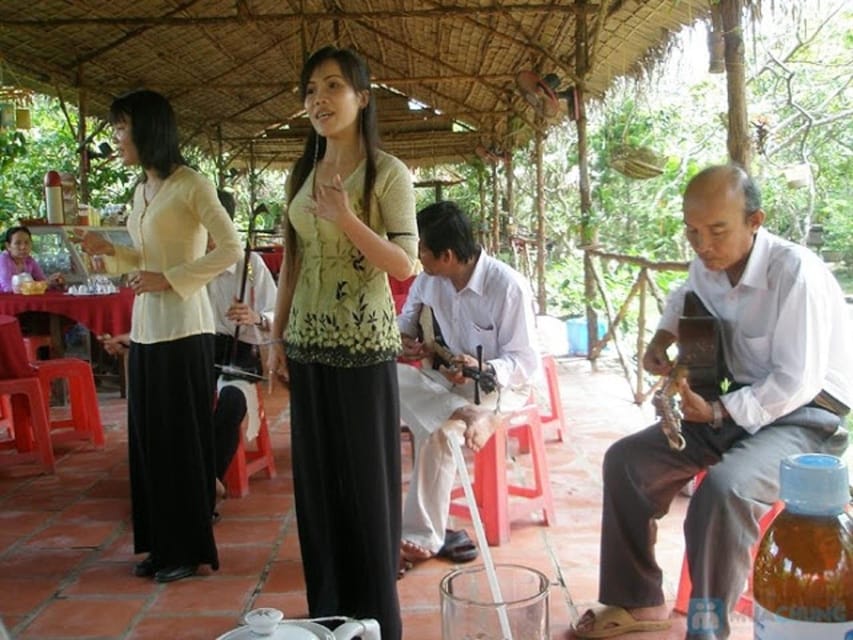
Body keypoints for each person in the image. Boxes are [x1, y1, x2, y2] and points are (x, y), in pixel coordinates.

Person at [572, 165, 852, 640]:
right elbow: (686, 294)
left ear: (755, 220)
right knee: (627, 462)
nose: (703, 245)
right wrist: (662, 339)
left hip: (808, 415)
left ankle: (707, 629)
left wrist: (720, 412)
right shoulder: (708, 264)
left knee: (724, 491)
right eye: (693, 232)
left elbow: (796, 381)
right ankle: (636, 601)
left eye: (717, 230)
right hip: (736, 403)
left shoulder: (794, 272)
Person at [266, 46, 417, 640]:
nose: (318, 100)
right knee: (319, 493)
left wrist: (348, 217)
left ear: (363, 97)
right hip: (307, 347)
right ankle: (329, 615)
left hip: (364, 350)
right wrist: (276, 338)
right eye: (309, 90)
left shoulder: (387, 173)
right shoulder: (300, 174)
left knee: (368, 490)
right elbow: (294, 261)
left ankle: (378, 619)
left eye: (333, 86)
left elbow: (404, 265)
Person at [74, 89, 241, 584]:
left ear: (149, 129)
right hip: (146, 330)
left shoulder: (192, 184)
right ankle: (160, 544)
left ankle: (187, 549)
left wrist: (170, 278)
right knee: (149, 443)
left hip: (184, 330)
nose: (116, 138)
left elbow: (230, 248)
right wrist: (111, 250)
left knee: (180, 443)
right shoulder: (142, 191)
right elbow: (144, 262)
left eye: (122, 128)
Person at [395, 200, 540, 576]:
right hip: (453, 385)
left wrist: (484, 367)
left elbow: (525, 363)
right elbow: (405, 322)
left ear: (445, 255)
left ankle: (422, 536)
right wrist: (405, 339)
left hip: (499, 388)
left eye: (422, 250)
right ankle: (466, 413)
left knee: (439, 433)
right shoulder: (429, 279)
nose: (417, 257)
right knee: (382, 378)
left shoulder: (507, 287)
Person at [208, 190, 277, 497]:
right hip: (199, 350)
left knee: (232, 400)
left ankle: (207, 478)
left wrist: (255, 316)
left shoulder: (250, 265)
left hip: (239, 354)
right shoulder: (189, 265)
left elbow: (277, 315)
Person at [0, 225, 64, 292]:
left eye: (27, 242)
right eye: (17, 243)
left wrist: (53, 282)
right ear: (8, 246)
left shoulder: (29, 260)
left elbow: (42, 281)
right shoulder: (3, 260)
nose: (23, 247)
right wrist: (44, 284)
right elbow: (7, 288)